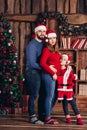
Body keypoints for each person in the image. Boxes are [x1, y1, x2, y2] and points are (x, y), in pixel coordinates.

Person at [24, 24, 47, 124]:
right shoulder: (32, 45)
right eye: (40, 31)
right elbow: (32, 63)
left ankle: (42, 115)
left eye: (44, 31)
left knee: (43, 93)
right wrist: (46, 68)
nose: (42, 33)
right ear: (36, 32)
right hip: (32, 71)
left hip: (40, 71)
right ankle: (32, 116)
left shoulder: (43, 45)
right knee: (34, 94)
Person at [40, 30, 61, 124]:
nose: (53, 40)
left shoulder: (55, 50)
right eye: (51, 38)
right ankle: (47, 118)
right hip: (48, 75)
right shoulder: (46, 49)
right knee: (49, 96)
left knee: (55, 96)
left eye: (54, 38)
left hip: (55, 76)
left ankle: (46, 114)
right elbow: (42, 63)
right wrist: (52, 72)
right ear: (48, 39)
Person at [57, 54, 84, 125]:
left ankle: (78, 118)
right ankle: (67, 117)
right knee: (64, 105)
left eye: (64, 59)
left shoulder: (68, 70)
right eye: (61, 59)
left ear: (67, 62)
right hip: (61, 91)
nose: (61, 60)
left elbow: (73, 78)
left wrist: (73, 76)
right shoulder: (58, 69)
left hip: (69, 90)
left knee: (73, 104)